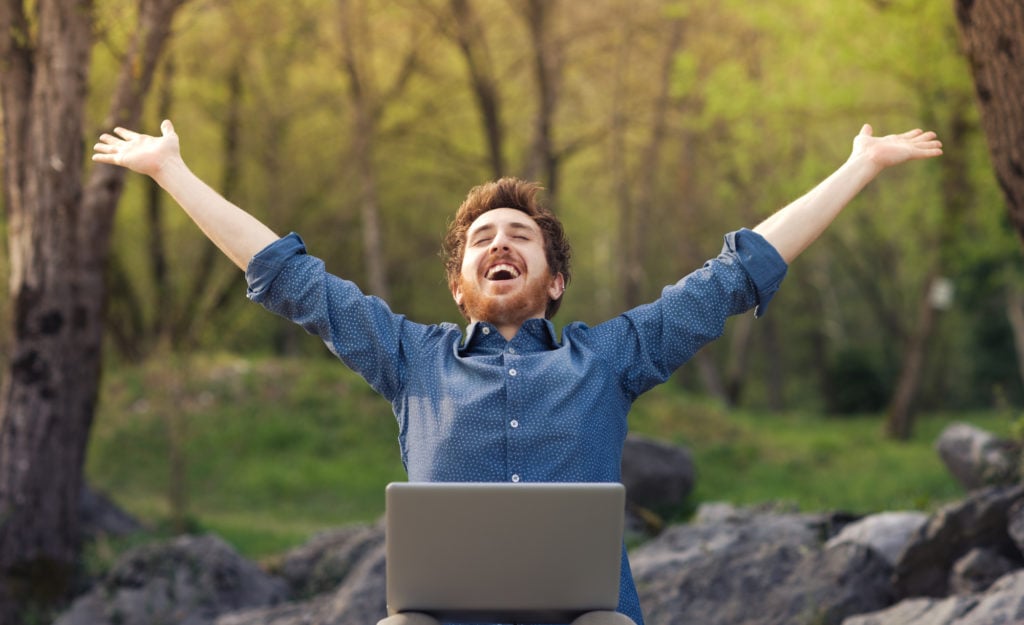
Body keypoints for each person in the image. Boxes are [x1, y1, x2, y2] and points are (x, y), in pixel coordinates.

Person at [93, 120, 942, 625]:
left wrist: (858, 166)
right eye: (481, 241)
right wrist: (172, 171)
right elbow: (287, 274)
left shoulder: (610, 357)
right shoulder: (409, 358)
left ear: (555, 280)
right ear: (459, 285)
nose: (500, 244)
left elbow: (738, 273)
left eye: (520, 237)